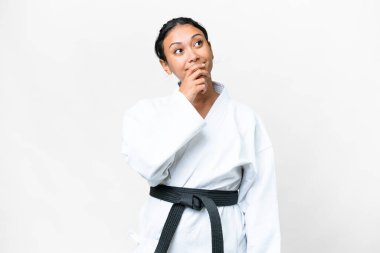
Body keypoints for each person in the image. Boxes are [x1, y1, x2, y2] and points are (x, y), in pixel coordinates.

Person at [121, 17, 281, 253]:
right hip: (166, 236)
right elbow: (150, 168)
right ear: (166, 66)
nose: (193, 56)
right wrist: (183, 104)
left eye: (198, 44)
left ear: (211, 50)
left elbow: (261, 204)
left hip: (224, 239)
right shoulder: (145, 114)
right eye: (178, 51)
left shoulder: (245, 119)